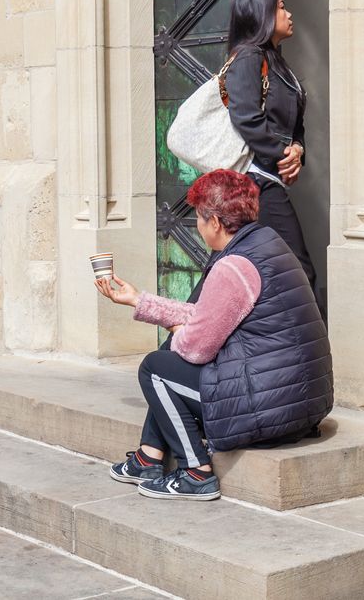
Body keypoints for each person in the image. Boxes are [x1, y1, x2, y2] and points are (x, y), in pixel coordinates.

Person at [95, 169, 333, 501]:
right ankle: (149, 456)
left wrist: (179, 333)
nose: (198, 226)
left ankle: (196, 472)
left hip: (271, 407)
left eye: (199, 219)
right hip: (299, 403)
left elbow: (195, 350)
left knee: (156, 367)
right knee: (171, 357)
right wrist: (139, 301)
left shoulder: (233, 266)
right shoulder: (266, 244)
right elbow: (209, 316)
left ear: (216, 223)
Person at [221, 0, 317, 291]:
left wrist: (298, 151)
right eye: (280, 7)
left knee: (233, 270)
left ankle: (184, 335)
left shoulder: (276, 63)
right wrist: (281, 157)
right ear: (261, 14)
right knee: (297, 272)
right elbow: (246, 117)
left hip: (265, 179)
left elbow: (293, 126)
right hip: (254, 181)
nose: (288, 14)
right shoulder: (248, 58)